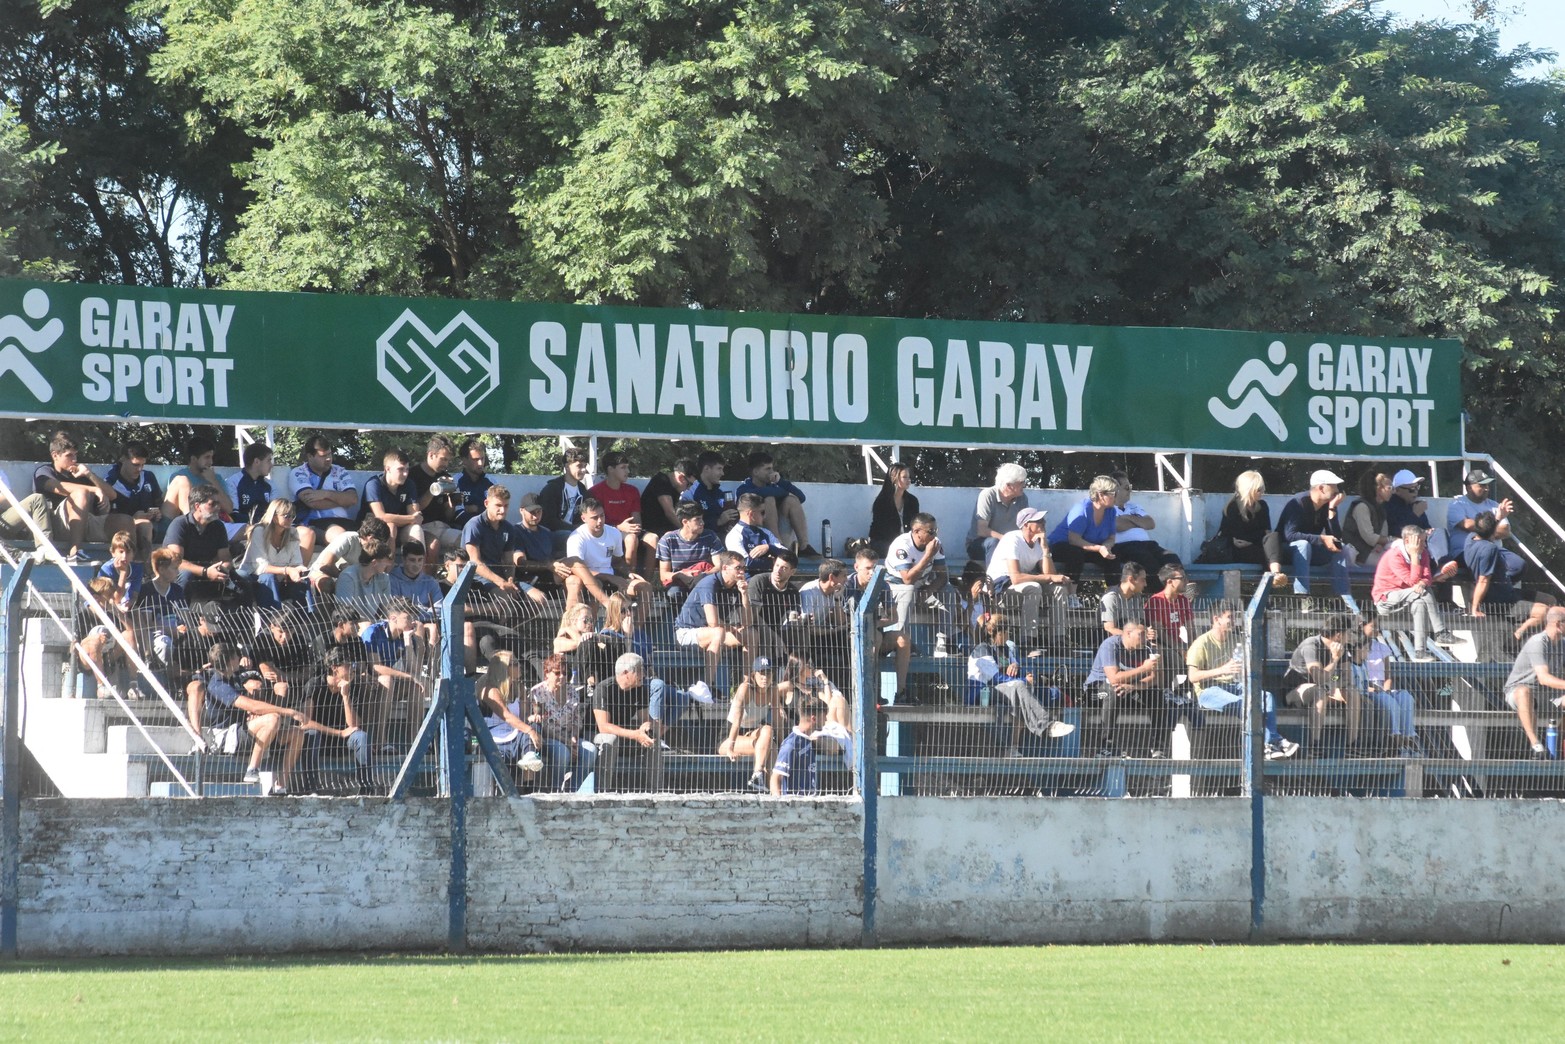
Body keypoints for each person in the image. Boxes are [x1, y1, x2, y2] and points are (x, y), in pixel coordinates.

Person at [185, 641, 306, 794]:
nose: (239, 658)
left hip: (242, 730)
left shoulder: (232, 678)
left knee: (297, 733)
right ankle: (252, 769)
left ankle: (280, 786)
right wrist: (289, 712)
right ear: (230, 660)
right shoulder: (218, 684)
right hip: (226, 738)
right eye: (236, 656)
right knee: (273, 718)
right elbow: (252, 706)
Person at [1185, 604, 1298, 759]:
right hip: (1209, 690)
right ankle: (1271, 743)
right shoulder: (1200, 643)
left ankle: (1270, 743)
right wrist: (1222, 670)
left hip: (1234, 686)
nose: (1234, 621)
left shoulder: (1236, 641)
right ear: (1216, 619)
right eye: (1229, 617)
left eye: (1234, 617)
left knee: (1266, 697)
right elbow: (1193, 676)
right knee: (1245, 703)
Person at [968, 613, 1075, 757]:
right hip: (983, 692)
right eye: (1006, 631)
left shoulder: (1006, 649)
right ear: (998, 633)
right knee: (1020, 687)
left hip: (1005, 691)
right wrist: (1024, 681)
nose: (1008, 635)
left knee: (1021, 694)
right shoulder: (982, 649)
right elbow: (995, 678)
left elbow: (1017, 671)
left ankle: (1011, 748)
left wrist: (1019, 669)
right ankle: (1047, 725)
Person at [33, 430, 132, 560]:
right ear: (55, 455)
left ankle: (135, 565)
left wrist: (88, 474)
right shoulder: (44, 472)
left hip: (86, 522)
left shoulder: (79, 473)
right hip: (58, 525)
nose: (74, 460)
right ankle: (75, 552)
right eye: (69, 455)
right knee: (81, 493)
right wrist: (94, 490)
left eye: (76, 455)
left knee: (126, 521)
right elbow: (58, 487)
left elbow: (112, 495)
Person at [1083, 621, 1170, 759]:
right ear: (1128, 634)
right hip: (1098, 689)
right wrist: (1144, 668)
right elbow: (1114, 678)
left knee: (1157, 695)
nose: (1145, 638)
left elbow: (1156, 679)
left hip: (1130, 689)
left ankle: (1158, 749)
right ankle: (1106, 747)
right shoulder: (1110, 645)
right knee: (1114, 690)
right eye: (1141, 634)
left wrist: (1134, 687)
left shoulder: (1148, 648)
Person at [986, 507, 1071, 646]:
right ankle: (1028, 640)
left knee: (1059, 589)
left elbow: (1051, 574)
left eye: (1043, 520)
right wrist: (1050, 578)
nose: (1043, 523)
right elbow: (1016, 578)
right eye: (1038, 521)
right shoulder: (1012, 539)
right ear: (1026, 525)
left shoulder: (1038, 543)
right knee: (1034, 587)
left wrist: (1045, 549)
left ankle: (1058, 639)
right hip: (1001, 590)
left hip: (1022, 589)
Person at [1281, 614, 1364, 757]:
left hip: (1326, 688)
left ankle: (1352, 745)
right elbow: (1319, 678)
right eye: (1349, 632)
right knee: (1320, 691)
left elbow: (1346, 678)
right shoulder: (1311, 645)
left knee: (1352, 691)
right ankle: (1315, 745)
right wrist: (1335, 660)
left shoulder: (1341, 648)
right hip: (1297, 691)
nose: (1350, 636)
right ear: (1338, 635)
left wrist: (1333, 681)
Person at [296, 648, 376, 794]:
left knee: (361, 737)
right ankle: (310, 789)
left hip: (344, 742)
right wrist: (338, 732)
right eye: (348, 665)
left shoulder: (353, 686)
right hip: (320, 741)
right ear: (334, 668)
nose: (352, 669)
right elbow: (305, 722)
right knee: (311, 734)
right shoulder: (314, 685)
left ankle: (367, 788)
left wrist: (345, 696)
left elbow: (354, 725)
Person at [1372, 525, 1458, 660]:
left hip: (1408, 598)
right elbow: (1412, 581)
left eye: (1424, 541)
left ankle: (1420, 651)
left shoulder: (1423, 553)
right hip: (1386, 599)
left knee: (1420, 603)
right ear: (1407, 541)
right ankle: (1441, 632)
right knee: (1424, 592)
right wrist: (1414, 556)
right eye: (1420, 541)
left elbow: (1427, 577)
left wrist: (1423, 582)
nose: (1424, 545)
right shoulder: (1394, 555)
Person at [1277, 469, 1357, 613]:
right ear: (1321, 488)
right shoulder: (1298, 503)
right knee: (1303, 545)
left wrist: (1332, 509)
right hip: (1287, 551)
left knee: (1340, 548)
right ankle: (1302, 598)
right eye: (1334, 486)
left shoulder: (1328, 505)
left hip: (1310, 552)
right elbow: (1290, 535)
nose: (1337, 491)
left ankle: (1341, 599)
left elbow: (1336, 538)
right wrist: (1320, 539)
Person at [462, 485, 550, 615]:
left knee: (541, 599)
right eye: (498, 505)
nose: (502, 510)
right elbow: (475, 562)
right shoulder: (474, 525)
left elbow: (508, 561)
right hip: (479, 579)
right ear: (486, 503)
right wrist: (501, 582)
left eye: (506, 506)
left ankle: (516, 626)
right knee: (504, 601)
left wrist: (510, 581)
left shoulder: (508, 528)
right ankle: (503, 627)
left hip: (503, 578)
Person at [674, 550, 750, 691]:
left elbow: (747, 622)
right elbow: (713, 622)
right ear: (725, 568)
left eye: (744, 568)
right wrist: (733, 629)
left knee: (751, 635)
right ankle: (708, 686)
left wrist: (744, 594)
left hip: (713, 634)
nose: (742, 572)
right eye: (738, 568)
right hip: (686, 633)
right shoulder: (709, 583)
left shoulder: (736, 587)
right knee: (718, 631)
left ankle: (746, 686)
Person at [563, 496, 652, 610]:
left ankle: (637, 622)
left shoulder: (614, 533)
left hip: (611, 580)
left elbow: (617, 561)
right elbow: (578, 570)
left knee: (645, 587)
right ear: (583, 518)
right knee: (596, 584)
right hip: (588, 582)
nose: (600, 521)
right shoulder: (576, 538)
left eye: (602, 515)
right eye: (594, 517)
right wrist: (608, 577)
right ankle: (590, 622)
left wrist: (628, 572)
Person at [1501, 606, 1565, 760]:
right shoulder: (1538, 642)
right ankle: (1536, 745)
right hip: (1518, 693)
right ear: (1558, 624)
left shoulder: (1562, 643)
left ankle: (1559, 744)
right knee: (1524, 691)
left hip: (1548, 696)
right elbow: (1543, 678)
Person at [528, 653, 597, 792]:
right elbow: (543, 725)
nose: (562, 677)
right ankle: (555, 791)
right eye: (557, 673)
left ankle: (573, 791)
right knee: (562, 752)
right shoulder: (537, 692)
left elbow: (577, 719)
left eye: (564, 673)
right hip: (547, 738)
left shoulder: (573, 691)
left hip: (569, 737)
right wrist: (567, 742)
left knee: (590, 750)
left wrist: (574, 738)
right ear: (546, 673)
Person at [1354, 614, 1422, 757]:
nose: (1377, 629)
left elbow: (1387, 675)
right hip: (1367, 689)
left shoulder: (1382, 648)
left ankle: (1409, 738)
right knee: (1389, 702)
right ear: (1362, 626)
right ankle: (1396, 742)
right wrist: (1375, 690)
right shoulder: (1355, 648)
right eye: (1373, 626)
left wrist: (1386, 689)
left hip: (1382, 688)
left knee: (1405, 697)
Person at [288, 434, 358, 563]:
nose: (328, 459)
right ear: (310, 456)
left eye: (329, 454)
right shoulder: (299, 473)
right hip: (316, 523)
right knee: (341, 535)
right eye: (323, 456)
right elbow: (313, 503)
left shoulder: (340, 471)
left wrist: (326, 494)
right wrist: (342, 501)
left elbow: (353, 499)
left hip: (346, 521)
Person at [477, 650, 546, 779]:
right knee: (530, 730)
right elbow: (506, 716)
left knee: (533, 727)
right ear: (503, 668)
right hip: (495, 739)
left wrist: (532, 718)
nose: (519, 666)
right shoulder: (490, 690)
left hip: (515, 735)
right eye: (514, 663)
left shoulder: (520, 688)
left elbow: (523, 718)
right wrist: (529, 730)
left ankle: (529, 760)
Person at [1212, 470, 1287, 583]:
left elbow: (1267, 532)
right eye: (1259, 489)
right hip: (1237, 550)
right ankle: (1274, 576)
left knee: (1274, 536)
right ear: (1249, 489)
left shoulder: (1263, 506)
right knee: (1270, 555)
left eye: (1262, 489)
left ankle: (1275, 574)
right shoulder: (1233, 507)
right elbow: (1238, 538)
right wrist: (1259, 535)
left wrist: (1255, 538)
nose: (1262, 492)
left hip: (1256, 545)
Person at [736, 451, 816, 555]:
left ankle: (804, 547)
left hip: (781, 529)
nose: (772, 472)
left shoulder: (775, 485)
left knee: (792, 500)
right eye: (767, 469)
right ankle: (777, 545)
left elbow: (801, 497)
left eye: (772, 468)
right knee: (769, 499)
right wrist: (782, 492)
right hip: (758, 531)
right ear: (755, 472)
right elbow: (765, 492)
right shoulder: (744, 488)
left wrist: (780, 482)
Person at [163, 484, 234, 603]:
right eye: (212, 504)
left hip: (209, 572)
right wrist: (206, 572)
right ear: (197, 506)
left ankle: (236, 613)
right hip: (179, 573)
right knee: (186, 575)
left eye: (218, 503)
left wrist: (222, 568)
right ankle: (180, 611)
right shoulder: (180, 524)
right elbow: (176, 561)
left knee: (243, 577)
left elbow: (225, 557)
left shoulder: (218, 526)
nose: (218, 507)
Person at [1108, 472, 1181, 587]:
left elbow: (1150, 524)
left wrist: (1127, 517)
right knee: (1148, 562)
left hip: (1147, 544)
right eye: (1127, 488)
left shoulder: (1134, 506)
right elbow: (1117, 525)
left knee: (1171, 557)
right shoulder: (1108, 507)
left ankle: (1180, 589)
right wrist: (1139, 522)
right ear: (1115, 489)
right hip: (1124, 546)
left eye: (1130, 487)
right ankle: (1159, 594)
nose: (1130, 491)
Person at [721, 657, 781, 793]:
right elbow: (736, 722)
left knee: (768, 730)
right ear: (754, 675)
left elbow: (778, 721)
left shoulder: (773, 690)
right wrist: (730, 749)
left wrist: (783, 745)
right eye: (762, 673)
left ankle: (770, 789)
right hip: (729, 737)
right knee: (771, 748)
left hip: (751, 734)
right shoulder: (745, 688)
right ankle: (765, 782)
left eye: (768, 673)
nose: (765, 677)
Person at [234, 498, 307, 609]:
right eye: (286, 516)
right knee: (268, 577)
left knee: (303, 579)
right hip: (255, 578)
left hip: (281, 579)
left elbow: (296, 562)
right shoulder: (259, 531)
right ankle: (272, 614)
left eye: (293, 516)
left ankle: (305, 614)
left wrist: (301, 569)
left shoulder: (293, 532)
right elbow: (262, 567)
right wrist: (287, 570)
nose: (291, 519)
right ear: (274, 517)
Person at [1047, 475, 1120, 582]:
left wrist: (1106, 546)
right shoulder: (1082, 509)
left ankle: (1113, 590)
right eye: (1114, 494)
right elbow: (1073, 539)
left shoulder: (1111, 511)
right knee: (1076, 554)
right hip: (1062, 546)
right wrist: (1099, 548)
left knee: (1114, 554)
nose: (1117, 496)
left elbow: (1111, 538)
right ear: (1101, 494)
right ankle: (1071, 590)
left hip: (1089, 549)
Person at [588, 450, 651, 572]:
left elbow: (637, 519)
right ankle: (630, 577)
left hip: (629, 530)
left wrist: (635, 527)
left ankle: (648, 580)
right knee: (631, 539)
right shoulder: (595, 492)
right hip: (608, 531)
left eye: (627, 467)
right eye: (623, 468)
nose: (627, 471)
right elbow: (595, 521)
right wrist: (619, 527)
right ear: (610, 469)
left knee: (653, 538)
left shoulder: (632, 490)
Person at [1447, 468, 1519, 574]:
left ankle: (1496, 583)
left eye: (1487, 485)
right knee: (1493, 565)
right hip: (1466, 551)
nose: (1486, 489)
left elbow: (1505, 531)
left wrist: (1482, 530)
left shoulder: (1494, 505)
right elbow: (1467, 525)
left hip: (1494, 550)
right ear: (1469, 487)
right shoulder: (1457, 504)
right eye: (1482, 485)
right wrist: (1493, 529)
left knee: (1518, 565)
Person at [104, 440, 166, 558]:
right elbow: (109, 514)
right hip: (121, 530)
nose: (139, 469)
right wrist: (133, 518)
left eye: (143, 465)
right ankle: (139, 564)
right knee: (144, 525)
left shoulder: (148, 476)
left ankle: (145, 564)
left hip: (151, 526)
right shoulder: (110, 481)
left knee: (146, 525)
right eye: (135, 465)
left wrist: (157, 512)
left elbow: (159, 502)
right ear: (123, 459)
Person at [404, 434, 461, 560]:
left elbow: (449, 515)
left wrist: (452, 502)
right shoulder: (412, 475)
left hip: (443, 527)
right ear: (431, 455)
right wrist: (433, 490)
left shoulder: (445, 476)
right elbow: (416, 509)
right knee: (433, 546)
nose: (446, 464)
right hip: (422, 526)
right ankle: (428, 574)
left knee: (466, 540)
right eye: (443, 459)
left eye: (448, 460)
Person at [357, 448, 424, 551]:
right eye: (401, 469)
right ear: (387, 469)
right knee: (391, 527)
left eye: (407, 469)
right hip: (372, 530)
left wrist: (411, 518)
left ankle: (419, 561)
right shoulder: (373, 484)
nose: (405, 474)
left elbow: (416, 517)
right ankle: (389, 561)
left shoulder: (409, 484)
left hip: (400, 529)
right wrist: (410, 518)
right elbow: (380, 516)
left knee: (416, 529)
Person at [966, 462, 1029, 565]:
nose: (1024, 485)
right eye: (1021, 482)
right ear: (1009, 485)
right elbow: (982, 530)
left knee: (1038, 542)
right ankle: (994, 575)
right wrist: (1007, 540)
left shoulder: (1022, 498)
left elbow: (1025, 526)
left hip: (1010, 544)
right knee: (994, 542)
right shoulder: (987, 495)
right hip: (980, 544)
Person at [162, 434, 234, 521]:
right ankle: (192, 523)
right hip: (187, 522)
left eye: (211, 457)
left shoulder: (217, 478)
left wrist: (213, 481)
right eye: (207, 457)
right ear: (193, 459)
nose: (211, 462)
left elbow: (229, 509)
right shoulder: (179, 478)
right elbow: (173, 509)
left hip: (214, 523)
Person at [746, 549, 801, 662]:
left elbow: (793, 615)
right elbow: (753, 613)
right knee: (766, 635)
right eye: (777, 565)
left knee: (802, 631)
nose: (778, 571)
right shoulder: (759, 581)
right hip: (757, 624)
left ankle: (801, 667)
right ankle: (765, 668)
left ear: (792, 572)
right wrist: (774, 635)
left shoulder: (793, 591)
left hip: (779, 627)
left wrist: (800, 620)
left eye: (784, 568)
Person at [656, 502, 723, 593]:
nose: (702, 523)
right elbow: (664, 575)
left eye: (702, 518)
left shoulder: (710, 536)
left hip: (704, 579)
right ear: (685, 522)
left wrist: (701, 575)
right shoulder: (668, 540)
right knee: (674, 593)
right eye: (697, 519)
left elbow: (719, 566)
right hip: (679, 582)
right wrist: (682, 574)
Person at [539, 446, 590, 554]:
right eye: (579, 466)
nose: (584, 470)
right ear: (567, 466)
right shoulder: (553, 488)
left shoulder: (582, 490)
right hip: (552, 534)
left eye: (585, 466)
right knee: (574, 537)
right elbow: (548, 521)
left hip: (575, 532)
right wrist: (575, 529)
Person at [770, 695, 824, 796]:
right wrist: (779, 803)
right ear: (813, 719)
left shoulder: (807, 740)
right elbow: (775, 778)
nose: (825, 722)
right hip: (794, 804)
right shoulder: (791, 745)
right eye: (824, 718)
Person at [725, 492, 789, 577]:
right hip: (749, 581)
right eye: (762, 512)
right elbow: (745, 563)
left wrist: (769, 548)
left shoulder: (766, 532)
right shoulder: (734, 535)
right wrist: (774, 562)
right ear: (751, 514)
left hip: (772, 580)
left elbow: (788, 556)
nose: (765, 516)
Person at [1343, 470, 1392, 568]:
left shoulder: (1381, 508)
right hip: (1360, 554)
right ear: (1378, 488)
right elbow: (1370, 537)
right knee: (1395, 562)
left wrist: (1380, 545)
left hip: (1373, 550)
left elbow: (1383, 533)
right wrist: (1392, 539)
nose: (1392, 491)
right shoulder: (1362, 507)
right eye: (1389, 488)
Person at [681, 450, 738, 534]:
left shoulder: (720, 493)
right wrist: (718, 521)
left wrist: (730, 525)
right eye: (719, 469)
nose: (722, 473)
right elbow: (690, 526)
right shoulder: (691, 494)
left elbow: (729, 518)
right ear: (706, 468)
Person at [869, 462, 919, 557]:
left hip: (907, 542)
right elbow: (879, 529)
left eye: (909, 477)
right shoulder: (882, 501)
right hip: (886, 543)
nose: (909, 480)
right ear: (894, 479)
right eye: (904, 477)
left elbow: (916, 524)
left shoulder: (912, 501)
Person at [639, 457, 696, 539]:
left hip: (666, 527)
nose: (689, 488)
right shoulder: (661, 481)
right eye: (689, 484)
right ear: (681, 477)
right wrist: (687, 530)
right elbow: (669, 512)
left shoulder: (676, 487)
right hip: (652, 528)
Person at [334, 537, 394, 611]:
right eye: (386, 561)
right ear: (374, 562)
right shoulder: (347, 577)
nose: (389, 564)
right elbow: (344, 612)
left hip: (374, 618)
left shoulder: (384, 578)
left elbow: (386, 609)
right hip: (352, 618)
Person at [225, 441, 275, 530]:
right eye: (268, 460)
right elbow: (234, 515)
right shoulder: (233, 482)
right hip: (244, 529)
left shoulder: (270, 485)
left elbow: (276, 511)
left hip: (267, 528)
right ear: (256, 461)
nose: (272, 465)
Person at [387, 538, 444, 611]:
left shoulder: (430, 581)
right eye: (412, 560)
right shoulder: (392, 580)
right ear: (403, 559)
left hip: (427, 618)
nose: (417, 564)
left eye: (420, 560)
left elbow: (439, 607)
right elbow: (395, 609)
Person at [1099, 562, 1147, 638]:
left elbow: (1141, 624)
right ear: (1131, 579)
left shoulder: (1137, 597)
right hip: (1112, 642)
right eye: (1142, 580)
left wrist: (1145, 633)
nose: (1145, 584)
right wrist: (1133, 636)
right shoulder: (1110, 598)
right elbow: (1109, 629)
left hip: (1132, 640)